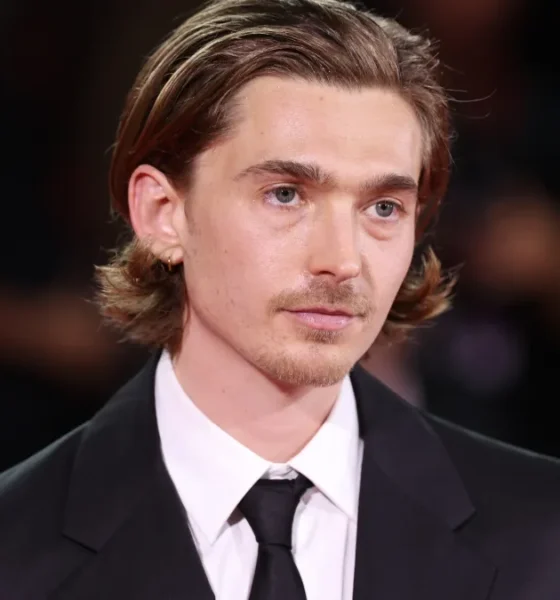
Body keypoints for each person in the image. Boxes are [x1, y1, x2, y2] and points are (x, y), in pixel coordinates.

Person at [1, 0, 560, 598]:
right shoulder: (16, 545)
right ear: (163, 214)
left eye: (383, 208)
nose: (343, 260)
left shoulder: (543, 531)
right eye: (286, 195)